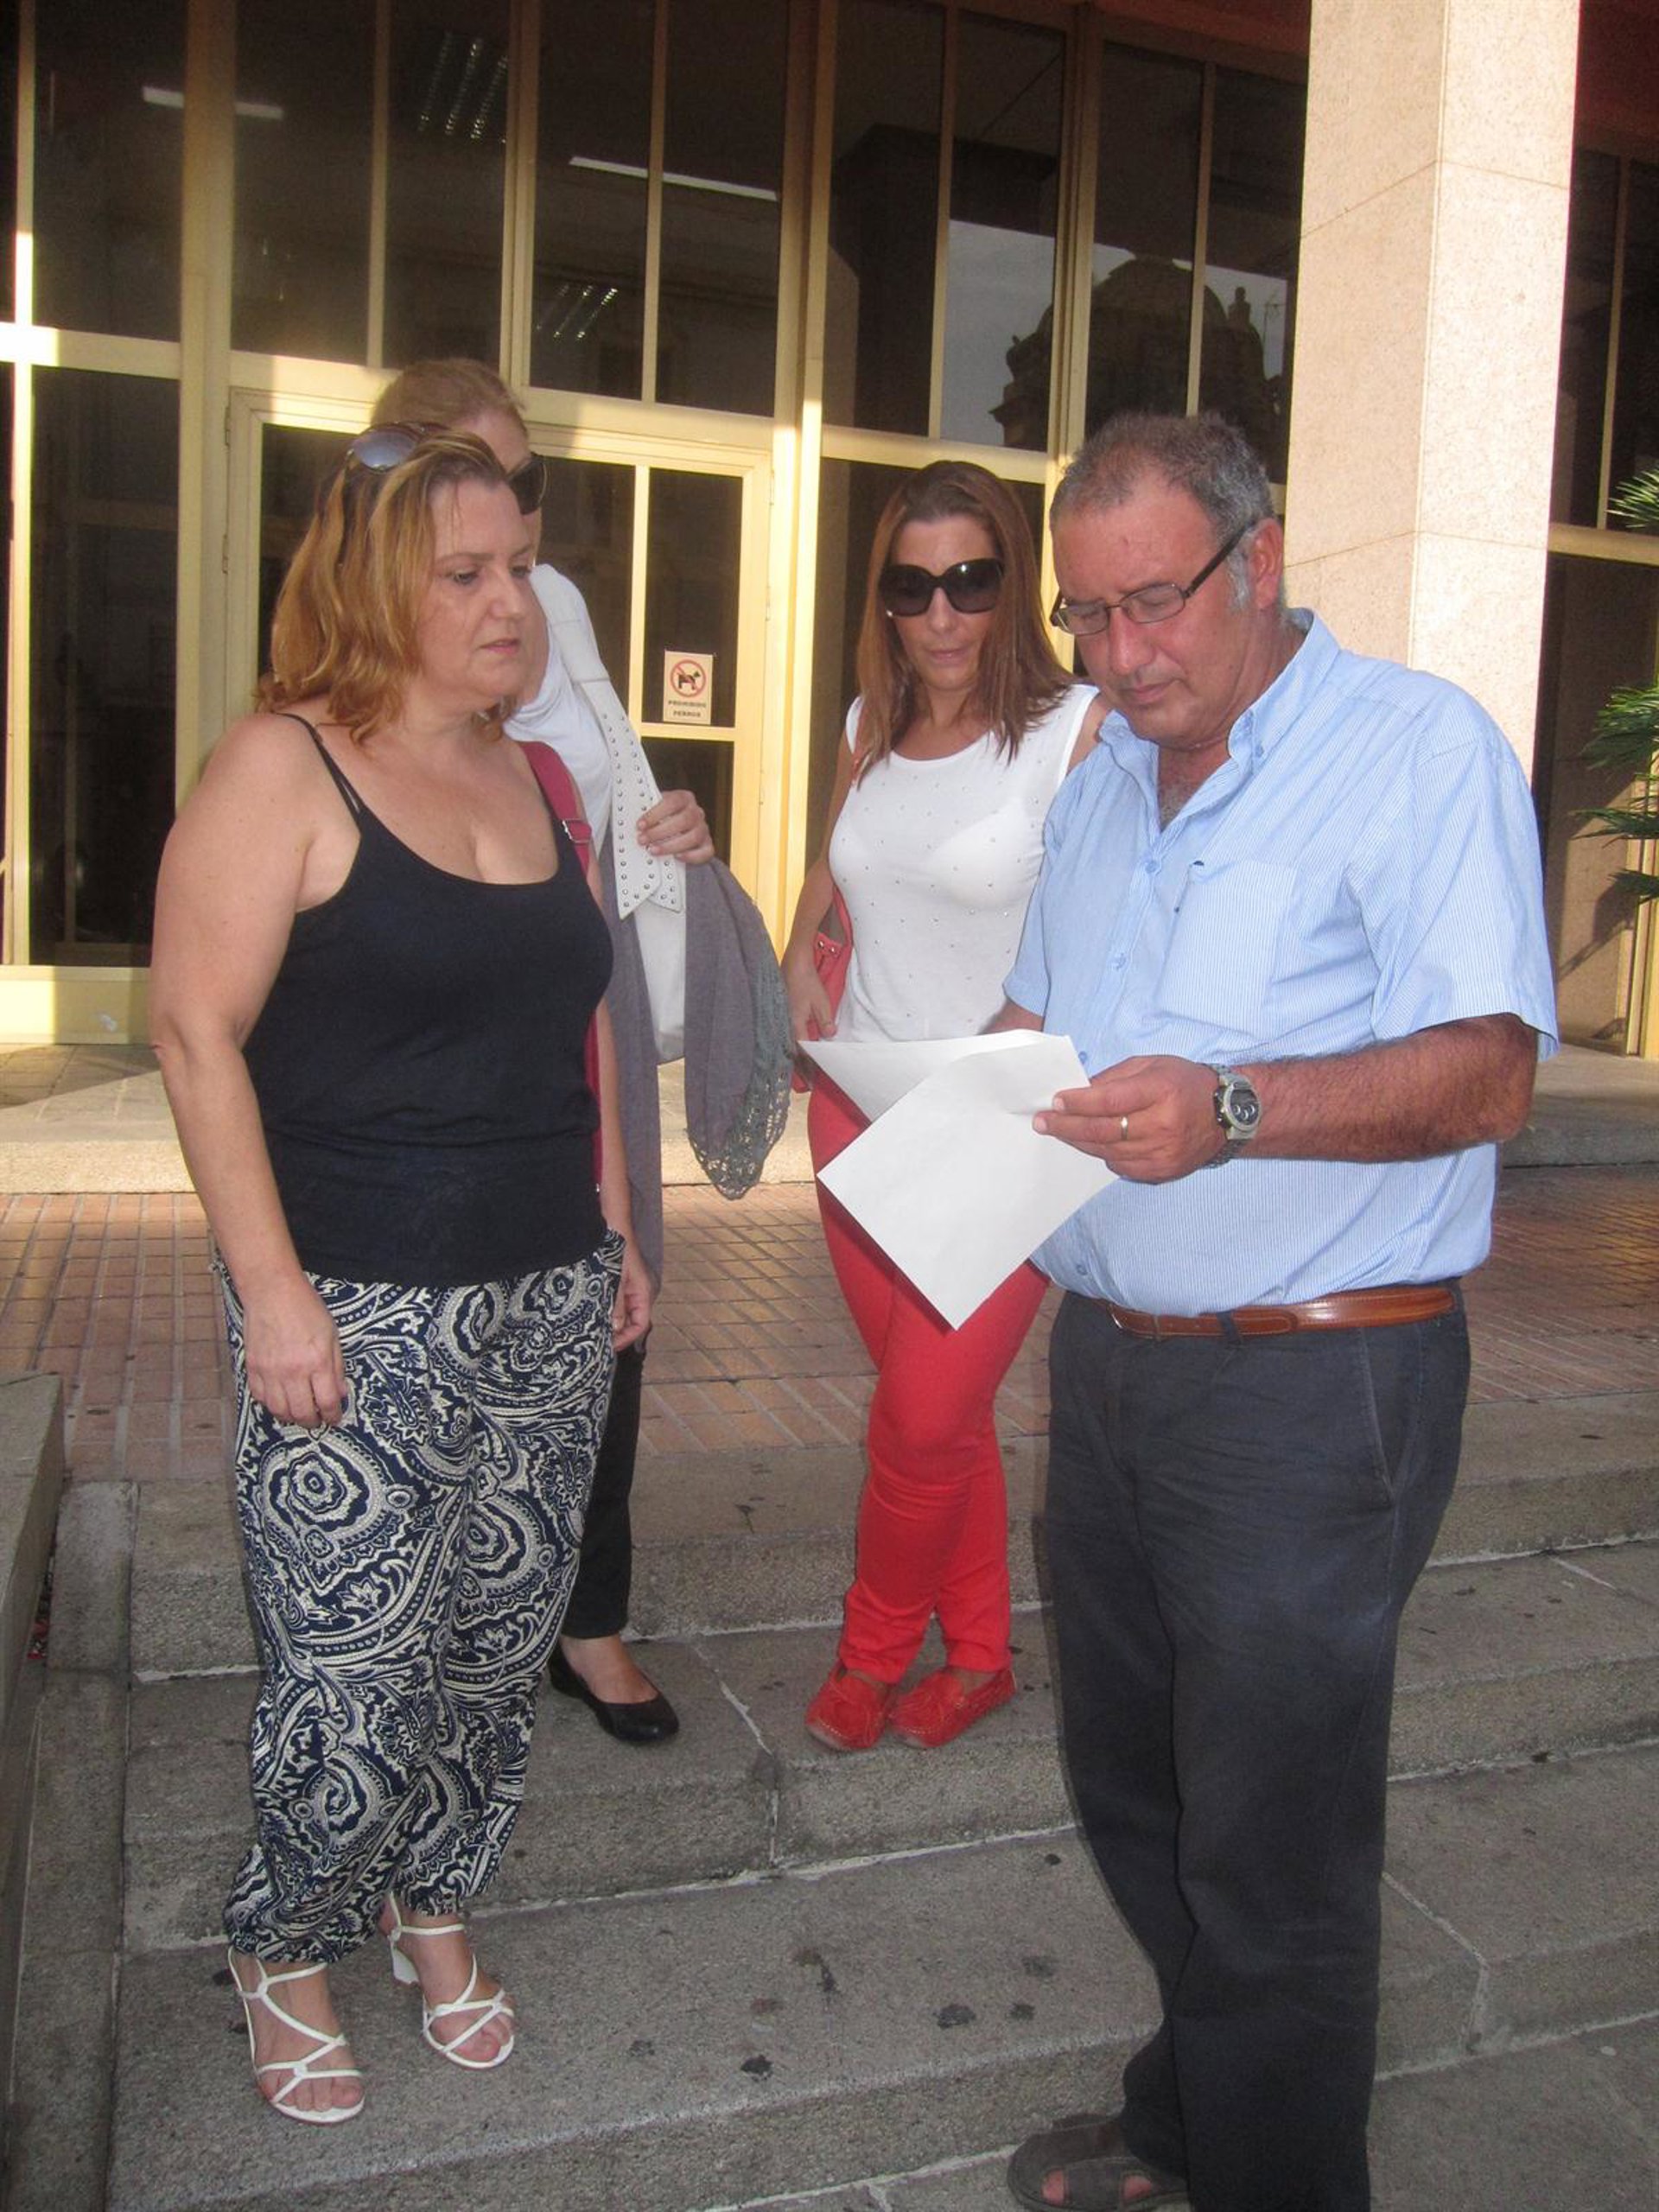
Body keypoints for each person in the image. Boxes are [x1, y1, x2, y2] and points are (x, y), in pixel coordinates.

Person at [995, 412, 1557, 2212]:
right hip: (1115, 1370)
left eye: (1155, 601)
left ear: (1264, 557)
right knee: (1142, 1791)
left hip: (1320, 1386)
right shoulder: (1104, 774)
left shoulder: (1413, 750)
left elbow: (1488, 1072)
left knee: (1273, 1849)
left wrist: (1235, 1106)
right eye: (1088, 615)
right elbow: (1042, 1027)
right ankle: (1194, 2120)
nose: (1121, 653)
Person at [150, 426, 651, 2121]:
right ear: (377, 584)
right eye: (469, 574)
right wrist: (271, 1288)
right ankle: (283, 1940)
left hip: (546, 1291)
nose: (515, 601)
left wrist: (613, 1223)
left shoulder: (537, 776)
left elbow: (574, 1024)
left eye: (523, 566)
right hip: (356, 1302)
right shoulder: (282, 767)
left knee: (496, 1644)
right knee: (352, 1668)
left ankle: (432, 1900)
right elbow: (195, 1034)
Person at [371, 359, 715, 1748]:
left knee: (613, 1303)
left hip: (585, 975)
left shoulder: (552, 600)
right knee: (458, 1312)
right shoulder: (377, 613)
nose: (512, 520)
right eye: (482, 483)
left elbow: (608, 783)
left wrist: (670, 829)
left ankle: (589, 1616)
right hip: (450, 995)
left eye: (528, 486)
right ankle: (452, 1614)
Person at [783, 461, 1104, 1755]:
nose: (942, 615)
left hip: (998, 1132)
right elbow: (837, 869)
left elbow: (1121, 921)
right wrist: (800, 956)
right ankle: (979, 1657)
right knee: (939, 1411)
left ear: (1014, 582)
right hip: (856, 1108)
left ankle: (869, 1655)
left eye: (970, 580)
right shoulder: (871, 719)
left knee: (917, 1419)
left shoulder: (1077, 730)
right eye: (912, 588)